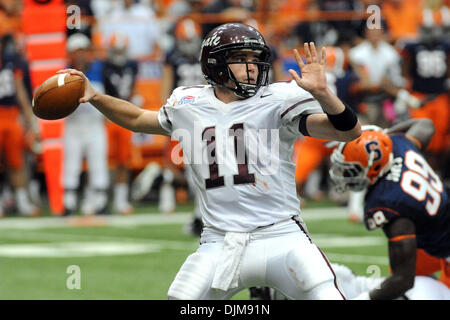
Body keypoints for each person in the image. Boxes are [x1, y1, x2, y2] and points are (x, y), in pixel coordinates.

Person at [58, 23, 361, 300]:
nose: (252, 66)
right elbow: (137, 118)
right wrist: (96, 97)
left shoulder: (277, 100)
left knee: (327, 295)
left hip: (281, 235)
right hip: (220, 241)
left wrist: (323, 94)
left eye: (255, 58)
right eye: (241, 58)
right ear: (215, 65)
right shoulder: (189, 104)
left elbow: (347, 131)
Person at [329, 119, 449, 299]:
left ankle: (357, 287)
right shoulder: (399, 144)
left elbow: (403, 280)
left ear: (374, 166)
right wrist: (385, 134)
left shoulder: (389, 202)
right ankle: (358, 284)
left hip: (443, 242)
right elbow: (426, 124)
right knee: (405, 261)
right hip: (438, 229)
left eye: (351, 171)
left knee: (409, 284)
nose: (345, 176)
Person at [63, 33, 110, 216]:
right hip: (73, 125)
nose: (81, 55)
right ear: (70, 53)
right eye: (77, 51)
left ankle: (100, 203)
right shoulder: (63, 73)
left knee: (98, 163)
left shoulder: (100, 69)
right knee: (71, 164)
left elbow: (110, 96)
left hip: (95, 124)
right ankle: (68, 204)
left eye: (83, 51)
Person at [0, 33, 39, 217]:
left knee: (17, 161)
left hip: (11, 114)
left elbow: (20, 90)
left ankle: (22, 200)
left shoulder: (11, 62)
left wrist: (29, 119)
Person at [102, 33, 138, 215]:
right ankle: (101, 199)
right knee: (107, 161)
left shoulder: (132, 66)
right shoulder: (104, 67)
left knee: (124, 160)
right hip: (108, 117)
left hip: (124, 116)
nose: (118, 54)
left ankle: (120, 200)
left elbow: (132, 90)